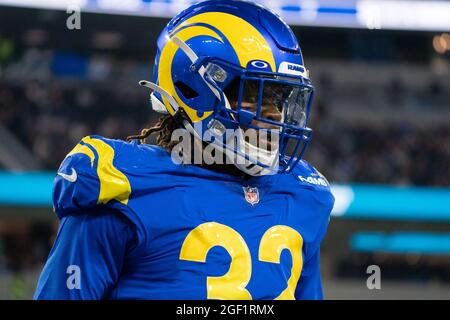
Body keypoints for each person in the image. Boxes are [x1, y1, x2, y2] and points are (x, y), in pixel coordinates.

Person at [34, 0, 334, 300]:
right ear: (194, 90)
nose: (274, 116)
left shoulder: (302, 194)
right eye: (255, 95)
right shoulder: (123, 189)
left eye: (279, 100)